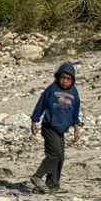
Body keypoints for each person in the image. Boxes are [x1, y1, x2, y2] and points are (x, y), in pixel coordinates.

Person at [29, 63, 81, 193]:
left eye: (68, 79)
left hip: (62, 129)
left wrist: (76, 127)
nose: (65, 81)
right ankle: (37, 176)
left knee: (61, 156)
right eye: (63, 77)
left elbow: (75, 111)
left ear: (72, 80)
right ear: (58, 77)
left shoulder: (74, 92)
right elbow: (40, 104)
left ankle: (53, 185)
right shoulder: (51, 89)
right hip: (49, 126)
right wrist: (34, 120)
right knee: (55, 154)